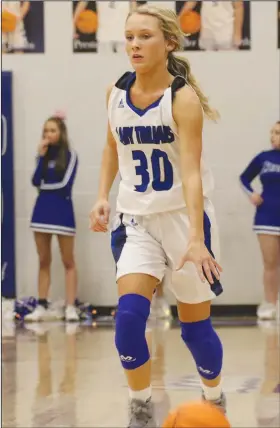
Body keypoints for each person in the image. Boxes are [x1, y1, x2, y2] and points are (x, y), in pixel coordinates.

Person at [90, 5, 225, 427]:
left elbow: (190, 171)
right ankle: (141, 409)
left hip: (185, 221)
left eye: (144, 36)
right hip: (136, 222)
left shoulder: (182, 100)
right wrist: (102, 196)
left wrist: (198, 239)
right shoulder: (115, 91)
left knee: (195, 331)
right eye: (129, 37)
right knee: (129, 318)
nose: (134, 44)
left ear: (169, 42)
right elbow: (112, 147)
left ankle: (215, 398)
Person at [25, 112, 79, 323]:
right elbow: (35, 181)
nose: (48, 134)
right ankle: (41, 305)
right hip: (41, 213)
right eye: (46, 130)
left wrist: (45, 190)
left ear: (61, 132)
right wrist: (40, 157)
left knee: (68, 261)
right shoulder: (43, 155)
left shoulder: (71, 155)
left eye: (52, 130)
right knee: (43, 260)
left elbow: (65, 185)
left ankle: (71, 306)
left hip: (62, 212)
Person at [240, 121, 280, 321]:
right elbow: (244, 178)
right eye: (272, 132)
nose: (273, 136)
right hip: (267, 217)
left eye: (278, 133)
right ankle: (270, 303)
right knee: (270, 263)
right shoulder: (264, 158)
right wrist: (252, 194)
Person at [179, 1, 244, 51]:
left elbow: (238, 7)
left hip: (227, 34)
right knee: (207, 66)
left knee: (229, 65)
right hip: (207, 33)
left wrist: (237, 34)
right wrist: (179, 19)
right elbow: (191, 2)